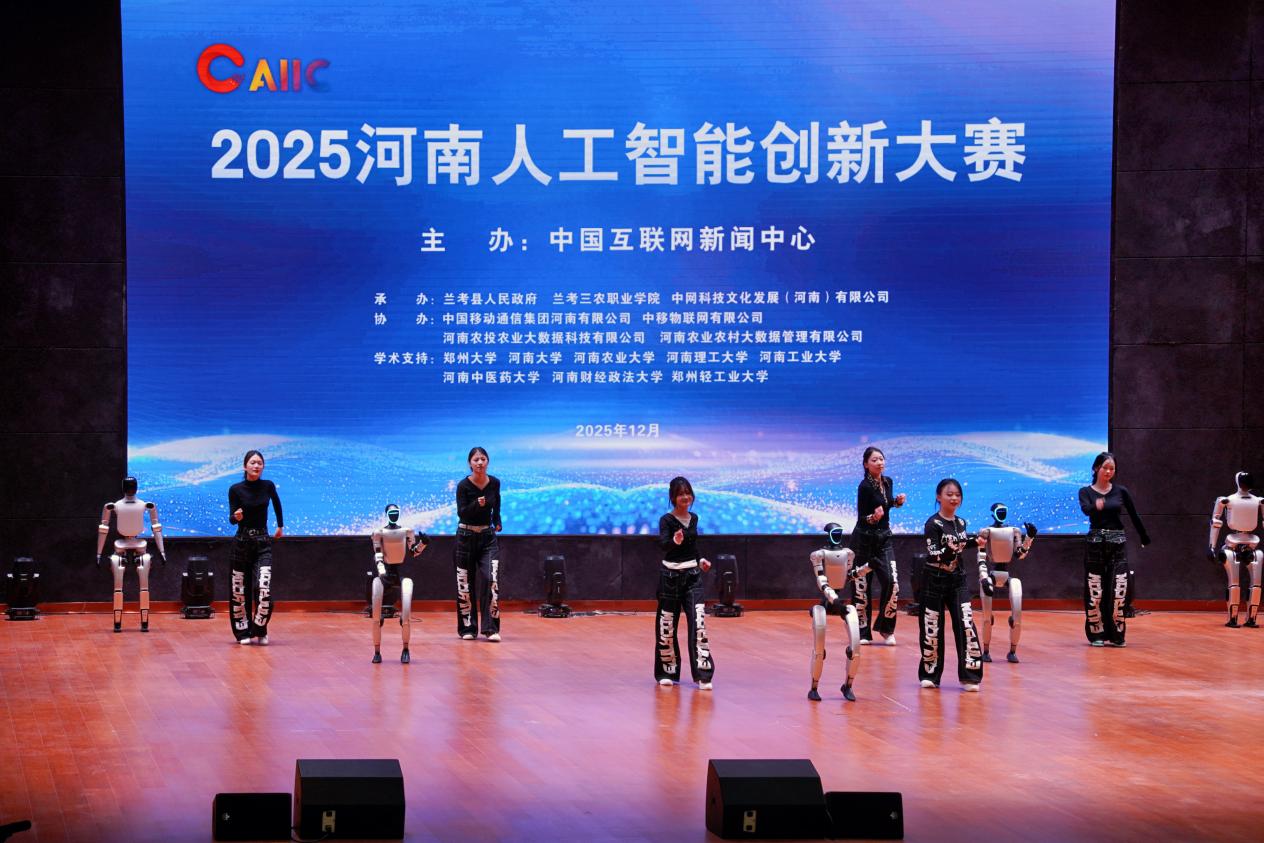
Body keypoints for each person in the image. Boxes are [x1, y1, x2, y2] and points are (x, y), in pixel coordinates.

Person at [1078, 451, 1150, 647]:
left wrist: (1144, 536)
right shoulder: (1085, 492)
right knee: (1095, 590)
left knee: (1119, 588)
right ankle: (1097, 634)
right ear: (1096, 468)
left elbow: (1133, 514)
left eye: (1112, 469)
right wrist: (1097, 506)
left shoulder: (1121, 491)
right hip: (1095, 545)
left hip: (1117, 544)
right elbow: (1086, 509)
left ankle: (1117, 634)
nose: (1109, 472)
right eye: (1105, 468)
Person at [919, 478, 984, 691]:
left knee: (966, 624)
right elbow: (933, 553)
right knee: (932, 627)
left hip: (957, 579)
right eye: (949, 494)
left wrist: (976, 542)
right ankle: (930, 675)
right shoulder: (932, 524)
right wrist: (949, 550)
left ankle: (970, 676)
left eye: (957, 495)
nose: (954, 498)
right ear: (939, 497)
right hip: (934, 580)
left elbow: (960, 545)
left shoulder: (961, 523)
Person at [654, 476, 715, 690]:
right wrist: (674, 541)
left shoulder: (694, 518)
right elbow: (663, 545)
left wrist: (701, 560)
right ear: (673, 497)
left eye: (688, 493)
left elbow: (692, 547)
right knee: (667, 625)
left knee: (698, 624)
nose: (685, 497)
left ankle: (703, 675)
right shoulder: (666, 520)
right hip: (670, 578)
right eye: (681, 494)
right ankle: (667, 671)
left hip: (693, 577)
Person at [95, 476, 166, 632]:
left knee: (132, 586)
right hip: (127, 545)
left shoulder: (116, 506)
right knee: (129, 586)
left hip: (134, 545)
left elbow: (104, 528)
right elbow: (156, 526)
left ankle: (131, 623)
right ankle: (127, 623)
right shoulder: (142, 505)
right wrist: (162, 552)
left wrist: (99, 554)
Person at [228, 450, 283, 645]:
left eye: (259, 463)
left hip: (262, 542)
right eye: (252, 462)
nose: (256, 465)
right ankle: (242, 632)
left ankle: (260, 629)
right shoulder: (235, 489)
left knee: (263, 587)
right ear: (245, 466)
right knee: (239, 590)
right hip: (242, 542)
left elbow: (277, 504)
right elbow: (232, 519)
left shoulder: (268, 486)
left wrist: (280, 526)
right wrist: (236, 517)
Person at [808, 523, 868, 702]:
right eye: (835, 533)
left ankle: (848, 685)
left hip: (841, 603)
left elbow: (849, 575)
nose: (837, 536)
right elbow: (822, 582)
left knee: (855, 646)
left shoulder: (847, 554)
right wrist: (834, 600)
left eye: (839, 533)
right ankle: (814, 687)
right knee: (819, 649)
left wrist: (868, 567)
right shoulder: (819, 555)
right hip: (826, 603)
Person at [852, 446, 905, 645]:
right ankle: (863, 632)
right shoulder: (864, 486)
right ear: (866, 464)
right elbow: (862, 517)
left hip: (884, 539)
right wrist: (873, 518)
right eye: (874, 460)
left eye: (881, 459)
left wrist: (897, 502)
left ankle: (886, 628)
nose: (879, 463)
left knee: (893, 582)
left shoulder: (888, 481)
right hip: (864, 540)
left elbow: (886, 504)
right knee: (862, 586)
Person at [976, 502, 1038, 663]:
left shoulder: (1014, 531)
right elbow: (981, 557)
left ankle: (1012, 651)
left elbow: (1019, 554)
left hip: (1007, 575)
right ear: (993, 513)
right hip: (991, 575)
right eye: (999, 511)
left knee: (1017, 615)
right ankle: (986, 650)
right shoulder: (986, 532)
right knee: (987, 616)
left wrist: (1029, 538)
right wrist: (984, 578)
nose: (1002, 513)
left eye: (1004, 511)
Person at [370, 504, 429, 663]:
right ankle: (377, 651)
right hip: (384, 575)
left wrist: (423, 543)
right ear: (387, 514)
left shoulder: (406, 532)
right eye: (392, 512)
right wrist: (381, 570)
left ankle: (405, 649)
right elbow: (378, 554)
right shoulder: (379, 533)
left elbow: (413, 551)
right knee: (376, 615)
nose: (394, 515)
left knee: (406, 613)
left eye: (396, 512)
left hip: (400, 573)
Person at [454, 446, 502, 641]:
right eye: (476, 460)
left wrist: (497, 520)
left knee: (491, 579)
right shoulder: (463, 486)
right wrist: (476, 504)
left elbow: (497, 503)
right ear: (470, 463)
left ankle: (491, 629)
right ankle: (468, 629)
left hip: (487, 537)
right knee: (465, 583)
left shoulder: (495, 483)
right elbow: (461, 512)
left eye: (483, 459)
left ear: (487, 461)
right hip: (465, 536)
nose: (480, 462)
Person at [1208, 471, 1262, 628]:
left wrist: (1212, 547)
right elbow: (1216, 522)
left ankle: (1246, 618)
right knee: (1240, 583)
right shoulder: (1232, 500)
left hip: (1248, 543)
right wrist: (1211, 547)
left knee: (1248, 584)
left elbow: (1216, 522)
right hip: (1238, 543)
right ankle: (1240, 618)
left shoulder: (1254, 501)